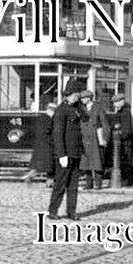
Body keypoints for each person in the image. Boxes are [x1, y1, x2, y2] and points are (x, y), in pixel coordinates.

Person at [48, 81, 84, 220]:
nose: (78, 96)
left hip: (75, 152)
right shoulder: (61, 110)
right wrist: (61, 154)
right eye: (76, 94)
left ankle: (71, 211)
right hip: (65, 153)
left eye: (78, 94)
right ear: (69, 94)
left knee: (73, 185)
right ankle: (53, 210)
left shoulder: (76, 108)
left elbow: (84, 119)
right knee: (60, 184)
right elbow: (58, 134)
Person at [79, 90, 106, 190]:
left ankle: (98, 183)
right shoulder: (82, 108)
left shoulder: (98, 107)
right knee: (86, 161)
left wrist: (104, 137)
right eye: (82, 98)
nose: (82, 100)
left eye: (84, 98)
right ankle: (88, 183)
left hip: (95, 137)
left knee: (97, 161)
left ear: (89, 98)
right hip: (85, 137)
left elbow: (103, 122)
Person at [30, 100, 57, 185]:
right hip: (48, 145)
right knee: (50, 164)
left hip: (41, 145)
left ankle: (30, 175)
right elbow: (48, 131)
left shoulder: (41, 118)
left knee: (42, 165)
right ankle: (49, 181)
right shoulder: (49, 119)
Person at [114, 95, 133, 186]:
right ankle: (126, 180)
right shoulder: (121, 111)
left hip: (127, 140)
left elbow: (126, 128)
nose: (114, 104)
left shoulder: (126, 112)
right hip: (124, 140)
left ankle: (128, 180)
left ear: (121, 102)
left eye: (116, 102)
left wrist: (120, 132)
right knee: (126, 160)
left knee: (128, 160)